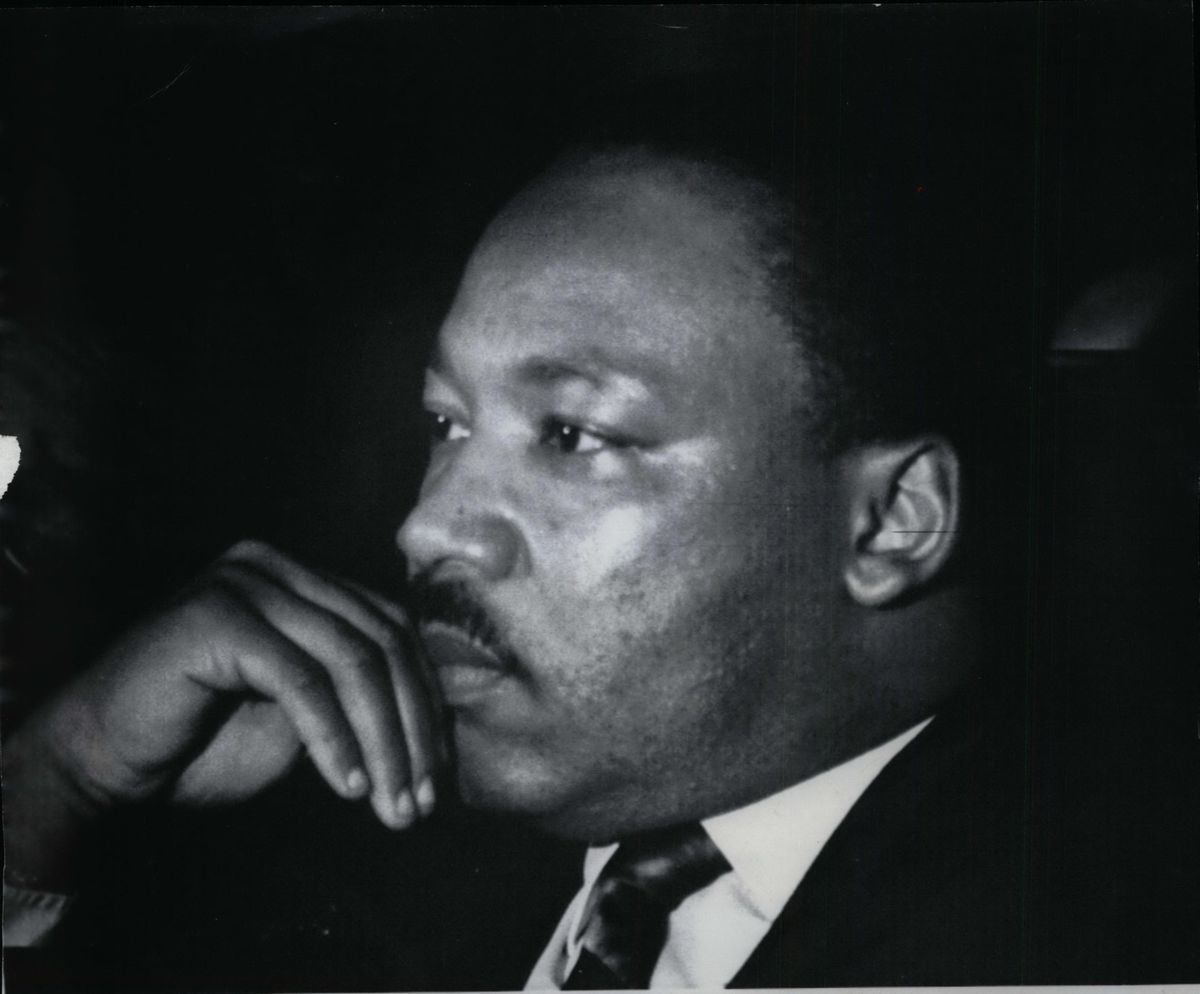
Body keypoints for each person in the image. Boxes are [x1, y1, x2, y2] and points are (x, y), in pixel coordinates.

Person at [4, 77, 1197, 992]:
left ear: (890, 522)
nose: (426, 527)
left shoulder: (1107, 930)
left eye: (572, 433)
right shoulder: (370, 858)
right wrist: (53, 780)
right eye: (445, 420)